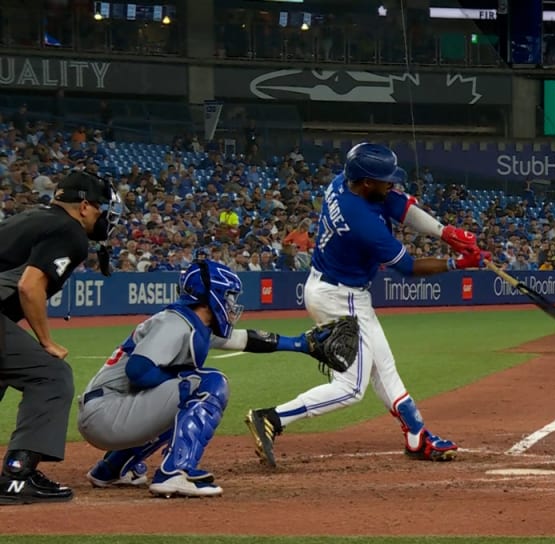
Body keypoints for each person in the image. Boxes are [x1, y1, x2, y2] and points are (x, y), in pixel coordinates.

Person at [244, 142, 487, 467]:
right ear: (368, 182)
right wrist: (459, 264)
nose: (393, 184)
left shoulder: (346, 183)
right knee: (350, 388)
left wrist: (446, 232)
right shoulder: (361, 221)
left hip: (340, 289)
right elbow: (409, 268)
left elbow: (399, 205)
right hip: (338, 297)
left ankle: (417, 436)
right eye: (386, 179)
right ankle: (272, 417)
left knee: (384, 367)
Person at [77, 260, 345, 498]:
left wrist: (300, 344)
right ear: (210, 296)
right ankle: (174, 472)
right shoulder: (174, 323)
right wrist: (182, 377)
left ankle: (111, 469)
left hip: (108, 412)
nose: (231, 303)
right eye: (227, 296)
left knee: (185, 399)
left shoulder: (193, 322)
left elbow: (245, 339)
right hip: (107, 412)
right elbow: (138, 370)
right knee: (208, 383)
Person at [0, 171, 121, 505]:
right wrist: (46, 341)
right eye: (100, 209)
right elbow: (29, 285)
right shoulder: (69, 232)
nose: (102, 216)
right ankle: (17, 476)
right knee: (51, 375)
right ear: (84, 206)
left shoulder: (29, 218)